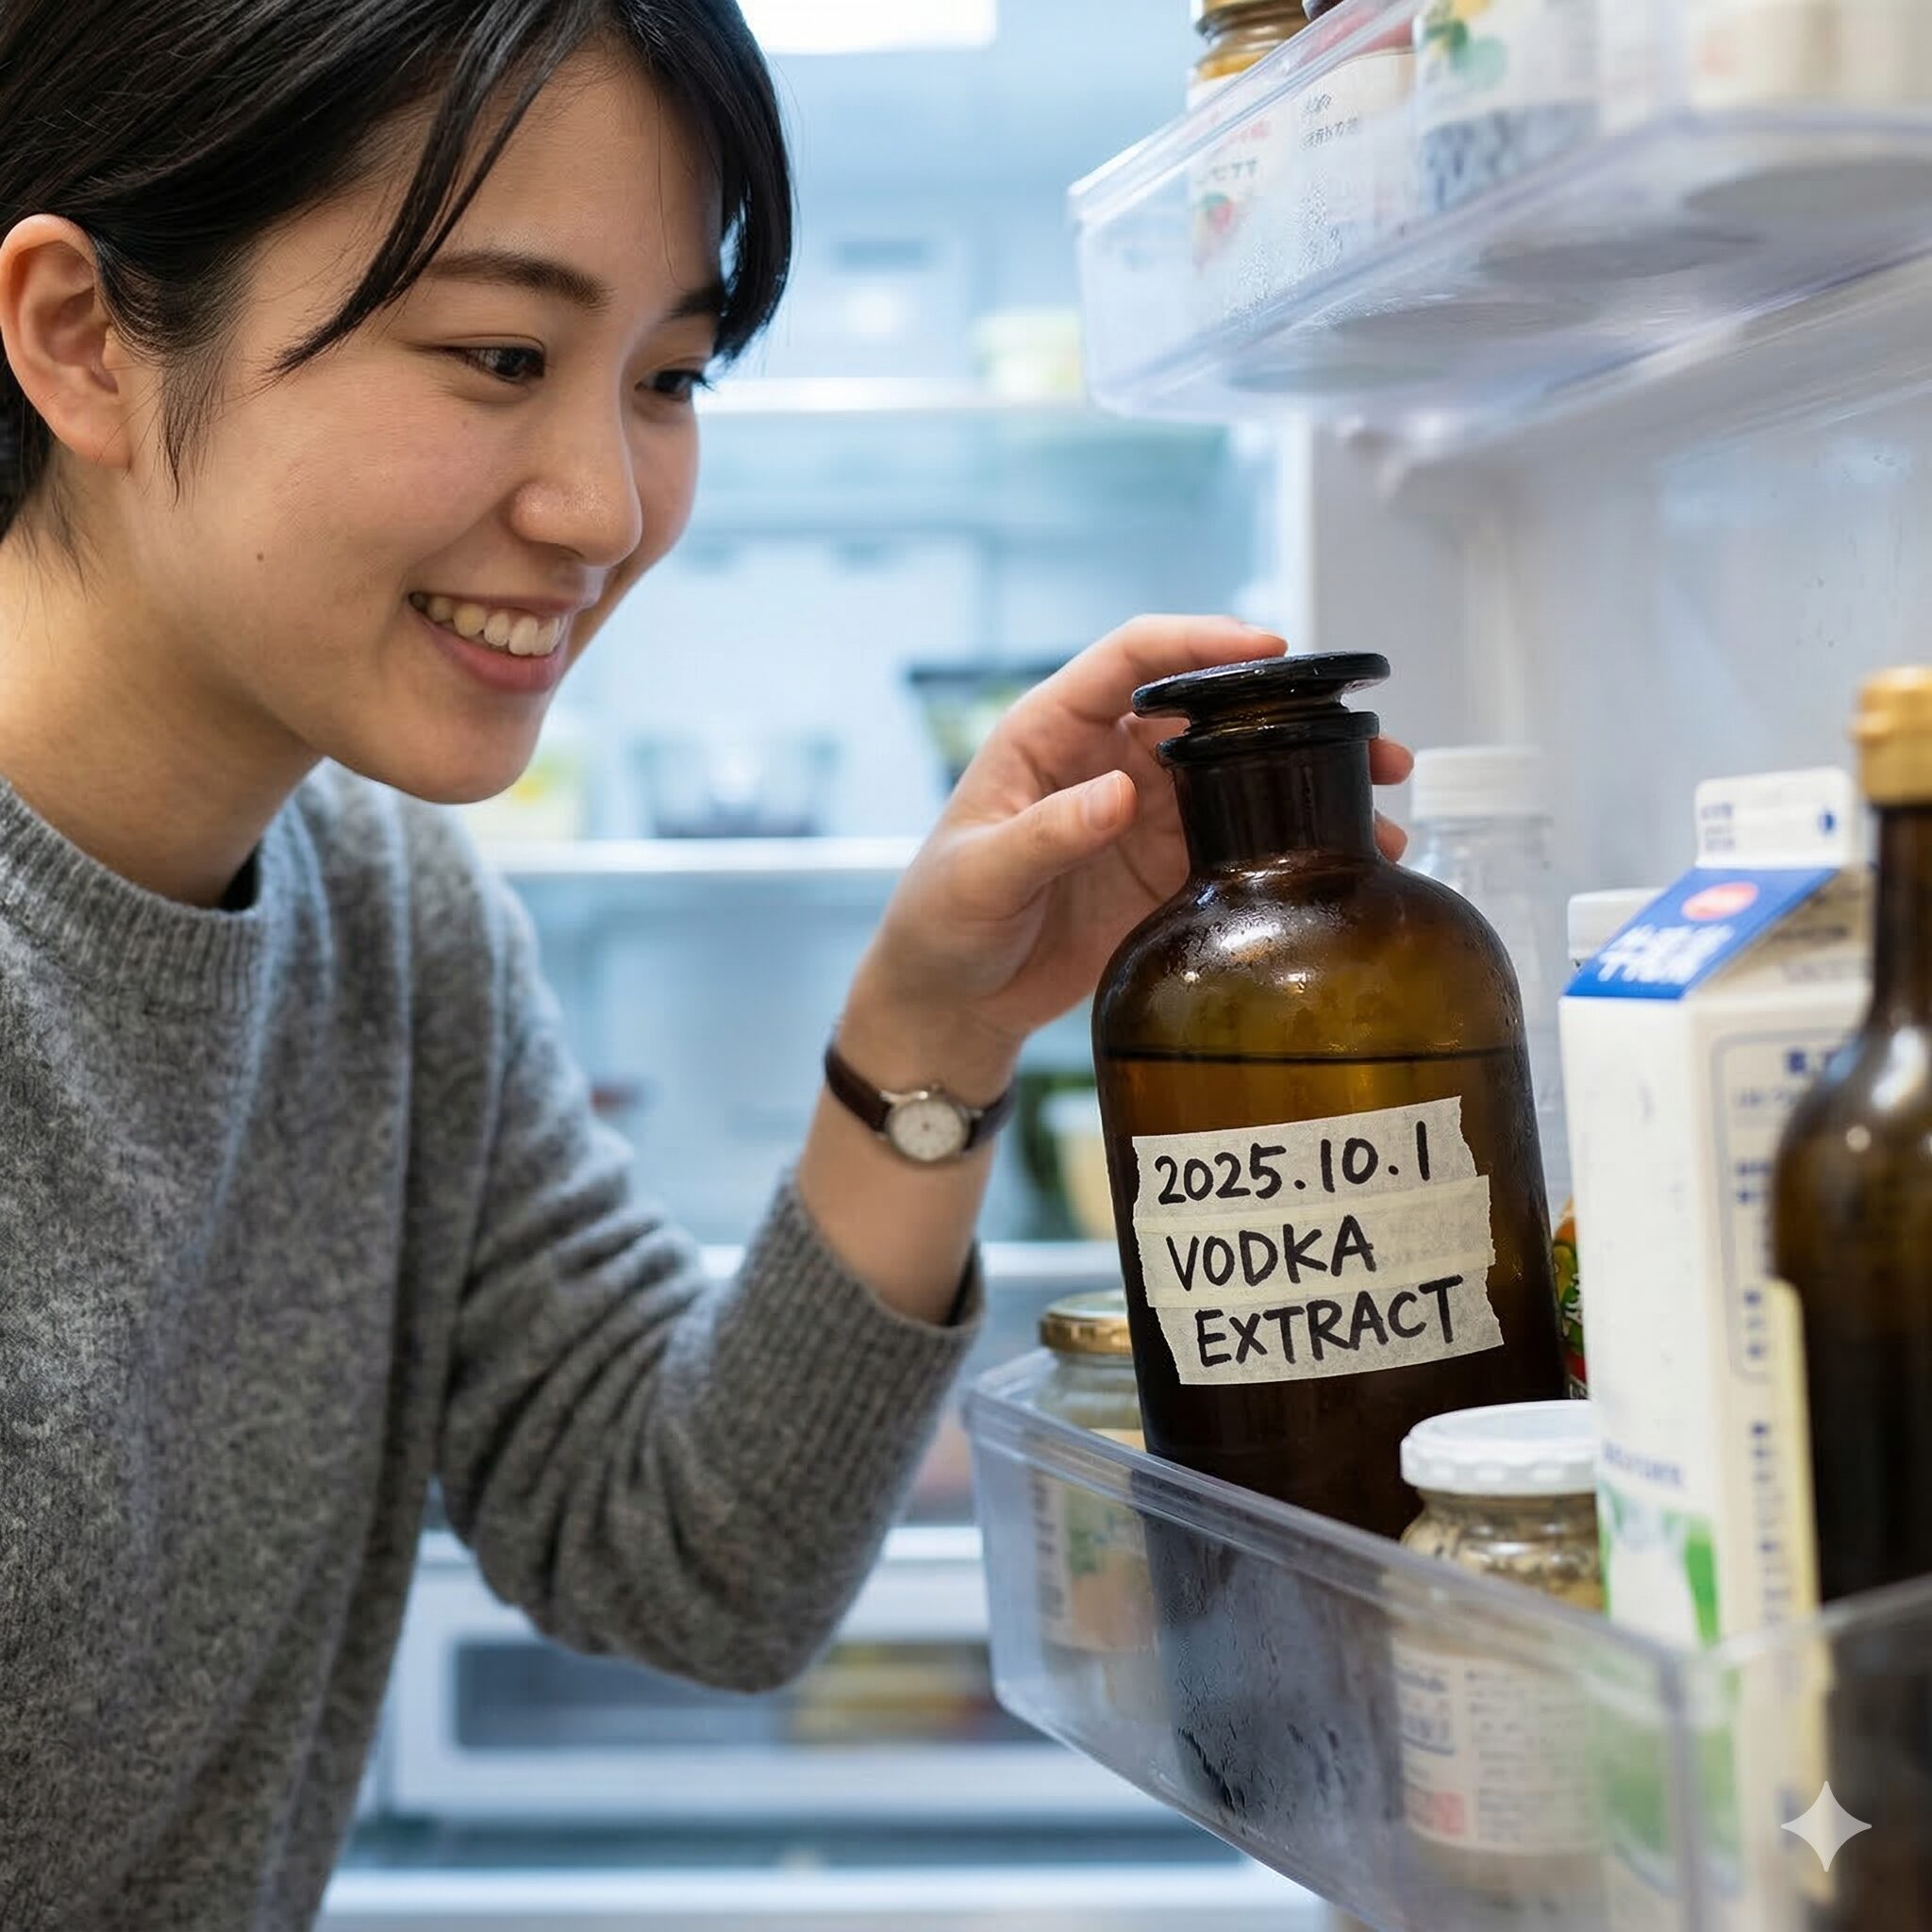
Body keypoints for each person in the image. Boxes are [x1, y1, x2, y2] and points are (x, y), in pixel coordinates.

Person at [0, 1, 1412, 1924]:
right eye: (499, 353)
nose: (604, 508)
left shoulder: (396, 921)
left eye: (667, 378)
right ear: (81, 335)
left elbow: (694, 1553)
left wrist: (940, 1019)